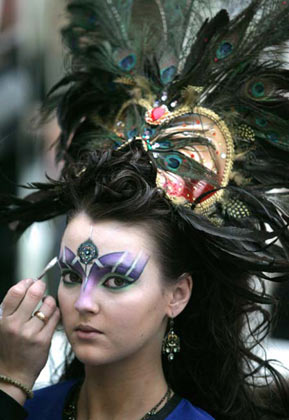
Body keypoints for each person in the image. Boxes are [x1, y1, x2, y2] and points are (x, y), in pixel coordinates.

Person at [1, 0, 289, 419]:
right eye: (70, 274)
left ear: (177, 294)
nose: (83, 303)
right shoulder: (27, 407)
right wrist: (10, 382)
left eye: (116, 279)